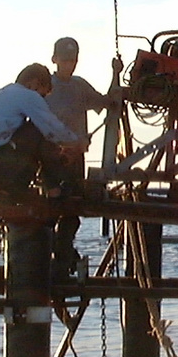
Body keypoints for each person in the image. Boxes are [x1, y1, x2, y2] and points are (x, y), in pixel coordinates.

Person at [45, 37, 124, 271]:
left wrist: (115, 74)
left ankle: (63, 256)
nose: (70, 64)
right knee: (49, 209)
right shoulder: (45, 86)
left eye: (73, 60)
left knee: (72, 210)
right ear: (55, 59)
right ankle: (56, 256)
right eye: (66, 59)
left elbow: (109, 102)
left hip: (75, 158)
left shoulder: (80, 86)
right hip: (50, 157)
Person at [0, 63, 82, 192]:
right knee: (38, 130)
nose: (41, 99)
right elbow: (52, 127)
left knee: (35, 132)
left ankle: (46, 185)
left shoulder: (0, 96)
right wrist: (77, 142)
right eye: (42, 95)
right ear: (34, 83)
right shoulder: (26, 95)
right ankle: (53, 189)